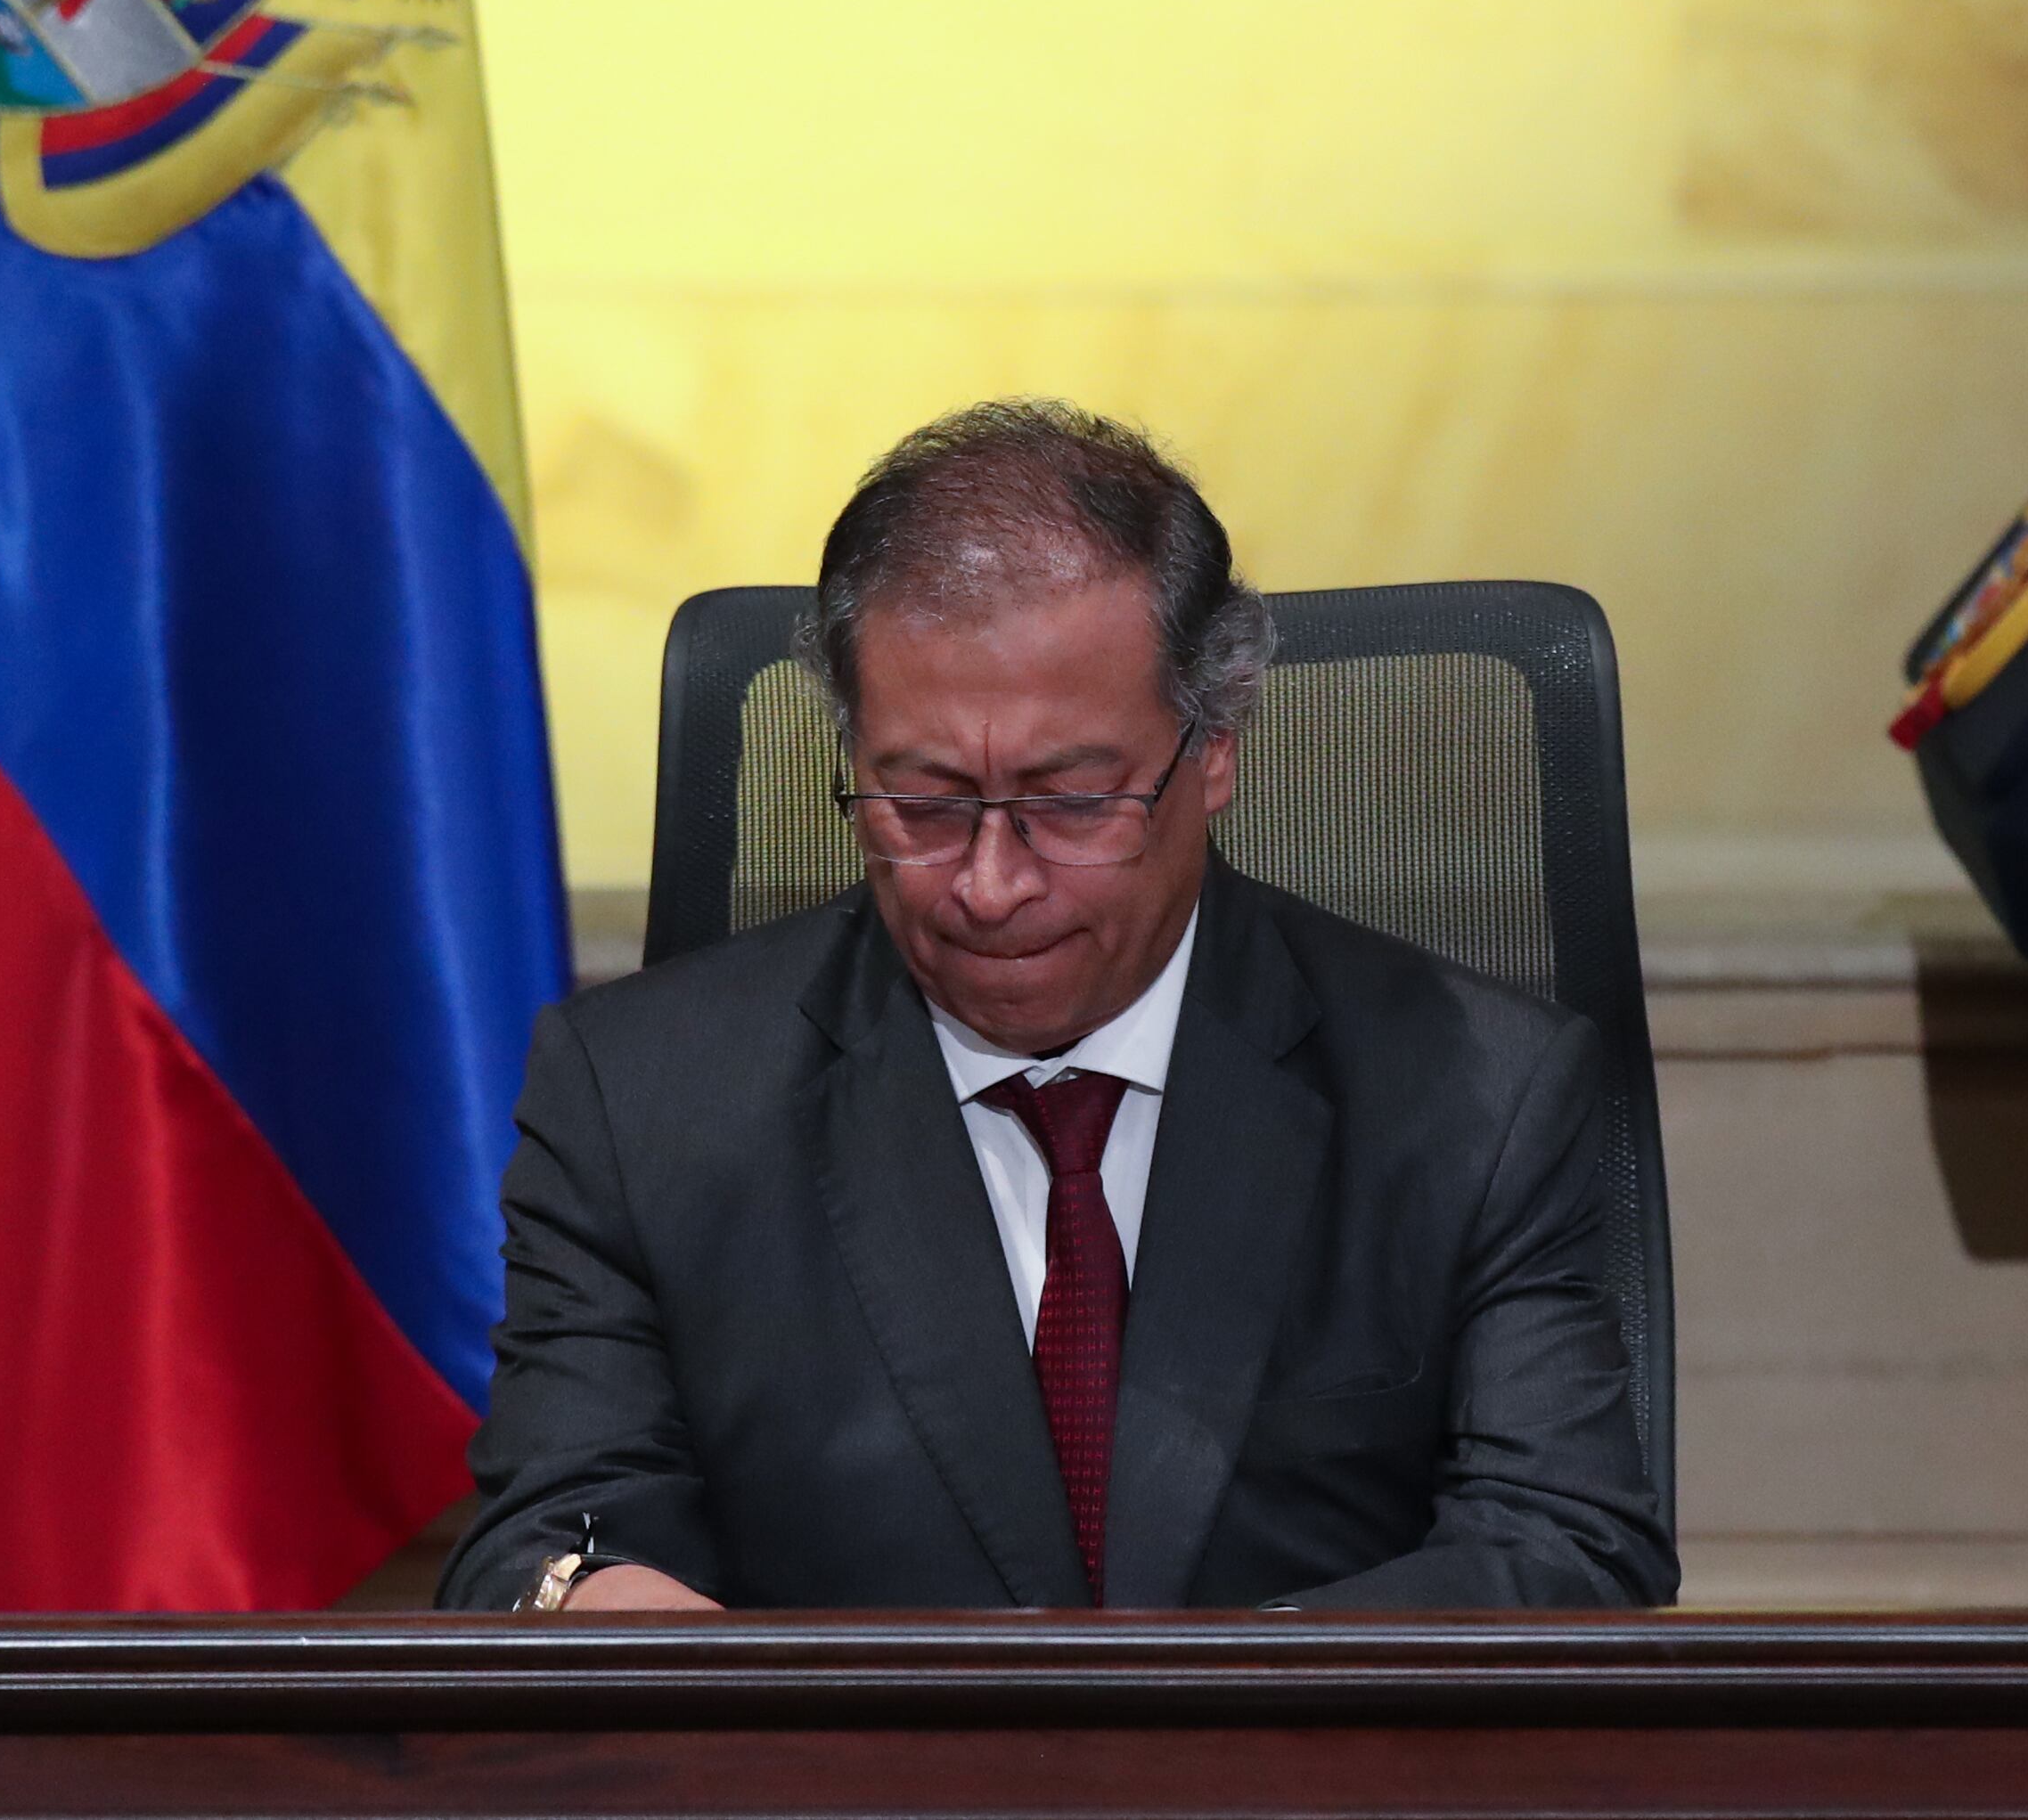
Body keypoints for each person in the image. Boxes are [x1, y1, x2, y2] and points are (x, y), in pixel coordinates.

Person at [436, 402, 1677, 1611]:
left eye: (1072, 803)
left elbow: (1565, 1544)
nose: (987, 884)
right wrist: (599, 1602)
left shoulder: (1472, 1090)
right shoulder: (641, 1094)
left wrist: (1200, 1726)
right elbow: (541, 1537)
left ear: (1216, 748)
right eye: (917, 802)